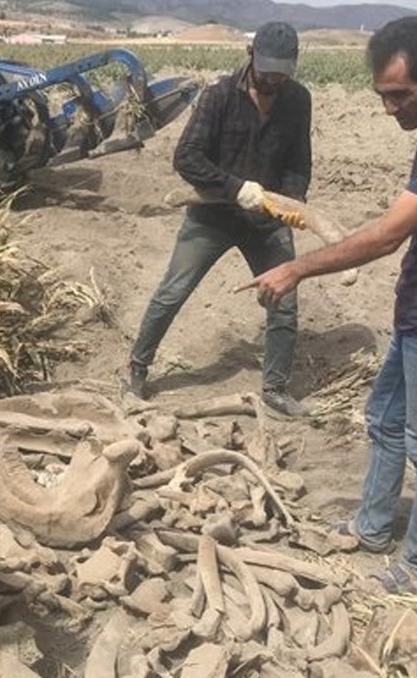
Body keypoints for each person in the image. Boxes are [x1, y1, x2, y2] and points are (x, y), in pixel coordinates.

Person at [237, 16, 417, 594]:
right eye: (381, 95)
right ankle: (372, 527)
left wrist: (295, 267)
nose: (389, 109)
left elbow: (388, 236)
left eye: (399, 95)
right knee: (385, 420)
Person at [125, 21, 313, 417]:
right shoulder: (218, 97)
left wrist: (292, 201)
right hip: (213, 215)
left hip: (267, 221)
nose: (273, 79)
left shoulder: (298, 100)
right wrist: (235, 189)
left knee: (285, 300)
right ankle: (136, 368)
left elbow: (299, 161)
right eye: (267, 71)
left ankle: (276, 388)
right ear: (250, 57)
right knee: (173, 290)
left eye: (282, 73)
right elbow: (187, 157)